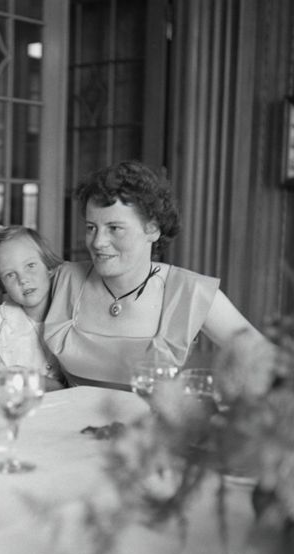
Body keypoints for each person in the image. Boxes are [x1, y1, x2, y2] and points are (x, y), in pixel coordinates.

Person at [43, 159, 264, 390]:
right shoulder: (64, 279)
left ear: (153, 229)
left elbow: (271, 366)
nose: (98, 242)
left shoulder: (190, 292)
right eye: (91, 228)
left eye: (114, 228)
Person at [0, 214, 65, 395]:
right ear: (1, 284)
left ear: (49, 267)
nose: (23, 279)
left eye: (30, 266)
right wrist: (10, 380)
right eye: (10, 275)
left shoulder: (71, 315)